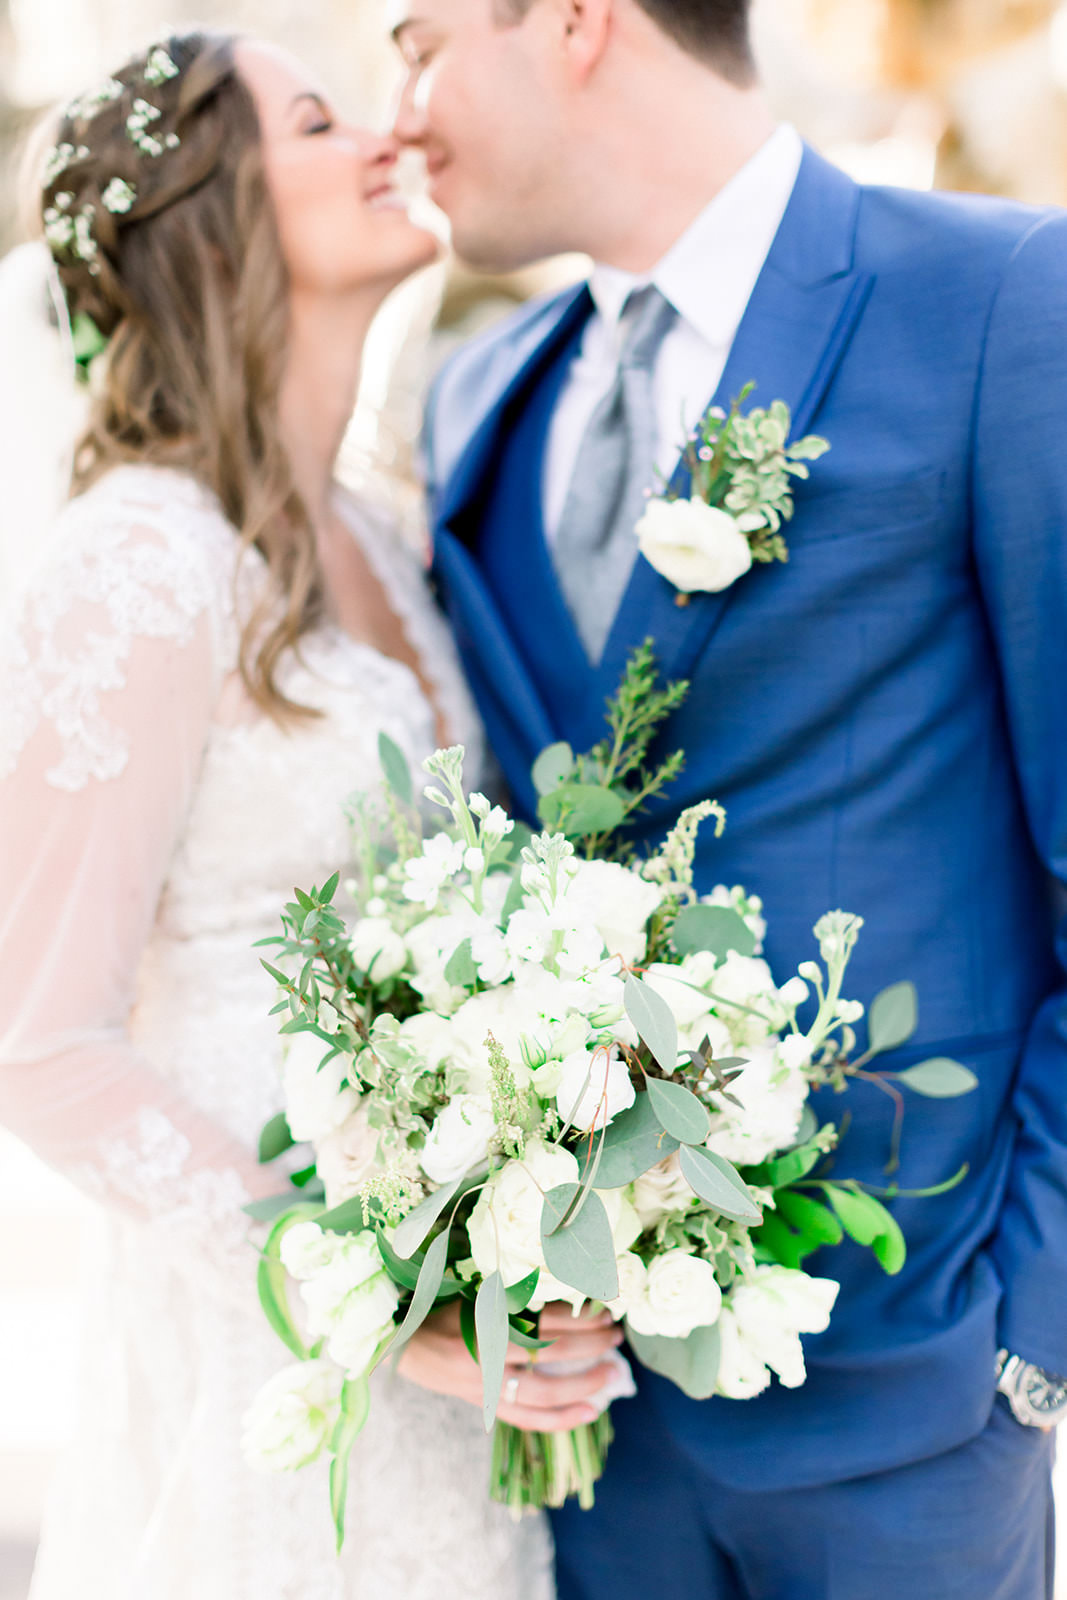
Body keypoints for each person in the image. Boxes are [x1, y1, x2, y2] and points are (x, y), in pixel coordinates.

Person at [389, 0, 1067, 1594]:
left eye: (418, 43)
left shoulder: (996, 298)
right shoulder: (474, 402)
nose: (398, 113)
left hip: (912, 1411)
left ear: (569, 21)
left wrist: (1032, 1341)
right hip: (584, 1438)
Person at [0, 29, 623, 1599]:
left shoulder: (384, 532)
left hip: (445, 1352)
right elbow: (36, 1037)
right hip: (268, 1362)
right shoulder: (142, 561)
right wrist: (353, 1294)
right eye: (318, 118)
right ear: (212, 210)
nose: (381, 139)